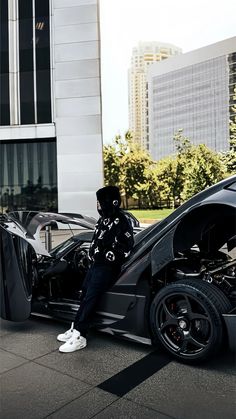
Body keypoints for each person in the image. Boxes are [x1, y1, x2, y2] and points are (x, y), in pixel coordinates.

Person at [57, 186, 134, 353]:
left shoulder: (121, 220)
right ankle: (75, 328)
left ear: (111, 202)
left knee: (91, 297)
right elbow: (96, 240)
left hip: (107, 267)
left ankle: (80, 336)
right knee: (84, 295)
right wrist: (93, 255)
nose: (98, 205)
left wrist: (107, 256)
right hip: (96, 265)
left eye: (101, 202)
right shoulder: (103, 220)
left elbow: (127, 246)